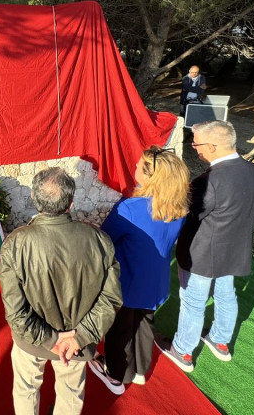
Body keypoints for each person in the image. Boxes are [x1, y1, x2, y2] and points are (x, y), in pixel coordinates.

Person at [0, 167, 122, 415]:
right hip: (75, 342)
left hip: (34, 341)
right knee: (70, 395)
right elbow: (111, 299)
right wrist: (75, 338)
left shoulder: (16, 244)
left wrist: (55, 340)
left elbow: (15, 312)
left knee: (26, 390)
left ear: (34, 200)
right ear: (71, 203)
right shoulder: (98, 239)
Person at [161, 120, 254, 372]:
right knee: (226, 295)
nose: (194, 148)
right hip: (235, 248)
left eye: (196, 143)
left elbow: (187, 213)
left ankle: (183, 351)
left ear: (211, 146)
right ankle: (220, 341)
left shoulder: (209, 181)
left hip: (202, 253)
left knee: (193, 303)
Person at [86, 147, 191, 395]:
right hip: (156, 282)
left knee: (119, 330)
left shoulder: (131, 208)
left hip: (128, 282)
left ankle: (116, 375)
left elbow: (105, 238)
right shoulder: (178, 207)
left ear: (149, 176)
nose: (133, 169)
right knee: (145, 325)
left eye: (137, 166)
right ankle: (141, 371)